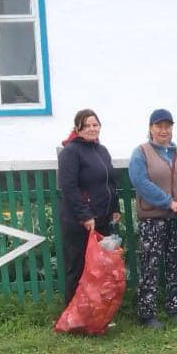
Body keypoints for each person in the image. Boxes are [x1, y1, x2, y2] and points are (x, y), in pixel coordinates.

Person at [128, 109, 177, 330]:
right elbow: (140, 182)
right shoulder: (141, 152)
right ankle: (147, 312)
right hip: (152, 218)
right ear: (150, 128)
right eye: (158, 126)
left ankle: (174, 307)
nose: (163, 130)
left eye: (167, 126)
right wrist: (168, 202)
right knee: (149, 265)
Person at [56, 109, 121, 306]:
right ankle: (73, 313)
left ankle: (94, 313)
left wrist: (115, 208)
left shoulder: (102, 151)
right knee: (78, 268)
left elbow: (110, 182)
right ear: (78, 128)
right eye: (87, 126)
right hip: (79, 222)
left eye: (95, 125)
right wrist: (85, 215)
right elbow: (69, 186)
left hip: (102, 219)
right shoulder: (70, 152)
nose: (92, 129)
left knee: (98, 268)